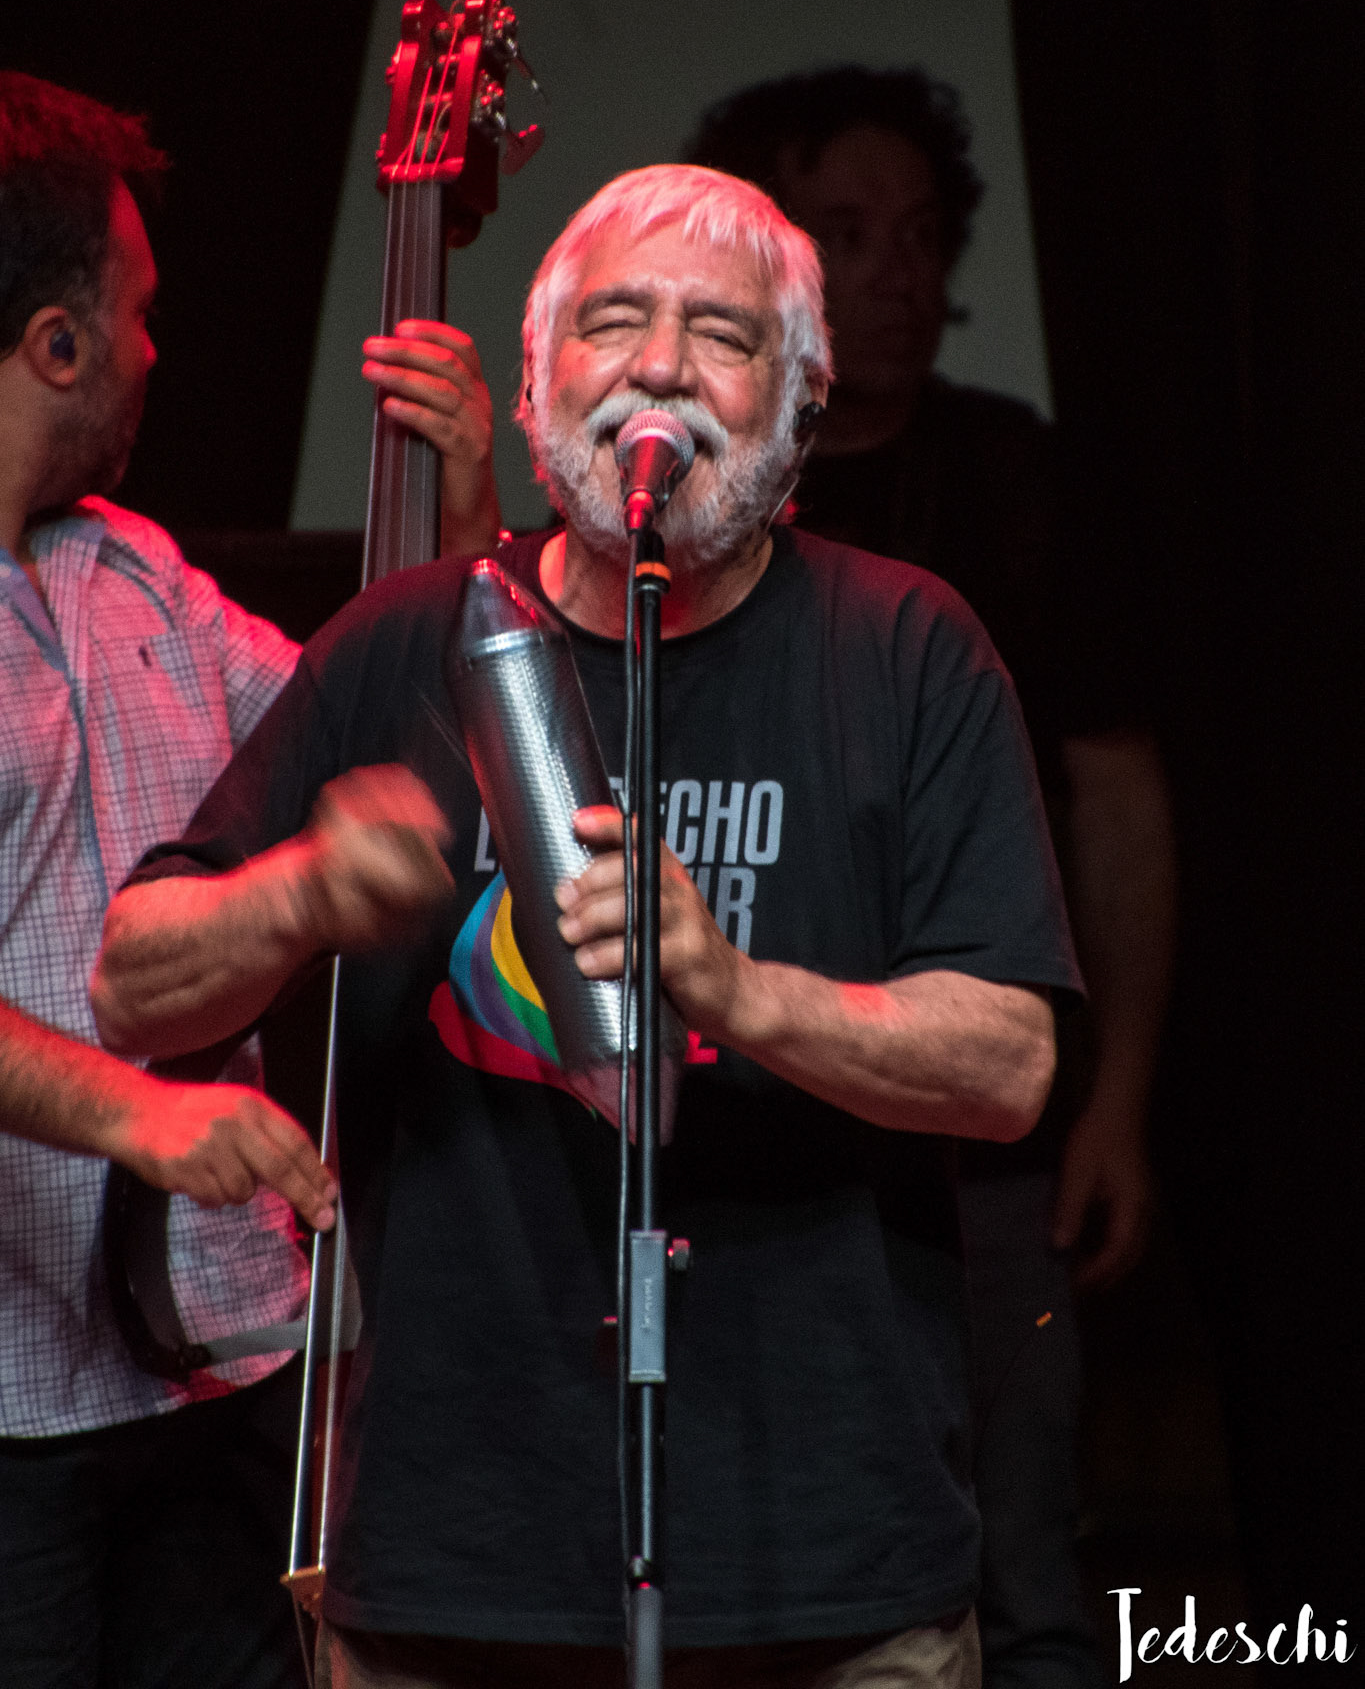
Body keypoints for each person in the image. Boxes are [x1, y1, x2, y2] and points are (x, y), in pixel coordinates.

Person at [94, 162, 1081, 1689]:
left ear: (802, 404)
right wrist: (295, 894)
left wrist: (732, 990)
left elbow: (1008, 1064)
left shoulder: (904, 647)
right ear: (536, 381)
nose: (660, 367)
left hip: (826, 1571)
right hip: (449, 1570)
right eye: (613, 323)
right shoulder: (401, 642)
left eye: (722, 334)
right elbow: (130, 990)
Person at [0, 70, 499, 1689]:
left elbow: (399, 736)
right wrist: (137, 1111)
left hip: (208, 1362)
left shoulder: (136, 570)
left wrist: (465, 500)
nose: (157, 351)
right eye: (136, 315)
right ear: (56, 345)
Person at [685, 69, 1179, 1688]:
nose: (893, 272)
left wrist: (1114, 1104)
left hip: (985, 1134)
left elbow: (1115, 795)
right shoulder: (690, 502)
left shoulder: (1018, 480)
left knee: (1021, 1557)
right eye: (845, 233)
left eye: (918, 235)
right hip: (742, 1135)